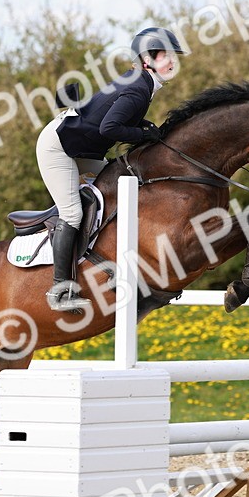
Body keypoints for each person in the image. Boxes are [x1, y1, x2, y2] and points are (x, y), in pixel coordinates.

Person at [35, 26, 188, 311]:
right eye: (166, 55)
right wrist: (144, 134)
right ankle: (60, 290)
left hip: (83, 148)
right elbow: (110, 127)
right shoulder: (138, 89)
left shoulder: (141, 83)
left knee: (115, 195)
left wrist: (144, 127)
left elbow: (112, 119)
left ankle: (111, 264)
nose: (173, 61)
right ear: (147, 60)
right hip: (59, 148)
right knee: (73, 213)